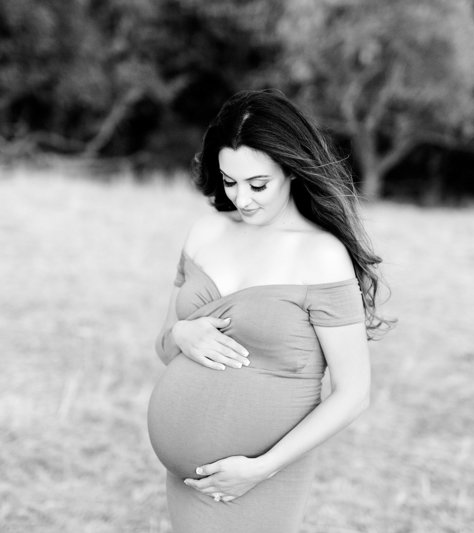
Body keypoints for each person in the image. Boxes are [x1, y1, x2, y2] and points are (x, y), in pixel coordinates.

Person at [147, 89, 390, 533]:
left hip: (262, 477)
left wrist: (262, 468)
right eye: (229, 181)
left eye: (259, 184)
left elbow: (354, 393)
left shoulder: (322, 256)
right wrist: (183, 334)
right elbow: (165, 344)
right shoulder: (206, 232)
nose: (243, 199)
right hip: (189, 479)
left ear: (292, 171)